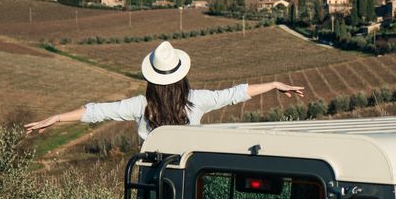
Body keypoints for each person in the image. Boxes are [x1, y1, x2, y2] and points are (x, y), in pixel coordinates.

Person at [24, 41, 304, 140]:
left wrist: (57, 118)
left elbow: (96, 111)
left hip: (152, 181)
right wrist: (274, 85)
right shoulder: (197, 101)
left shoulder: (140, 105)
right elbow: (234, 94)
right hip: (187, 177)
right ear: (181, 76)